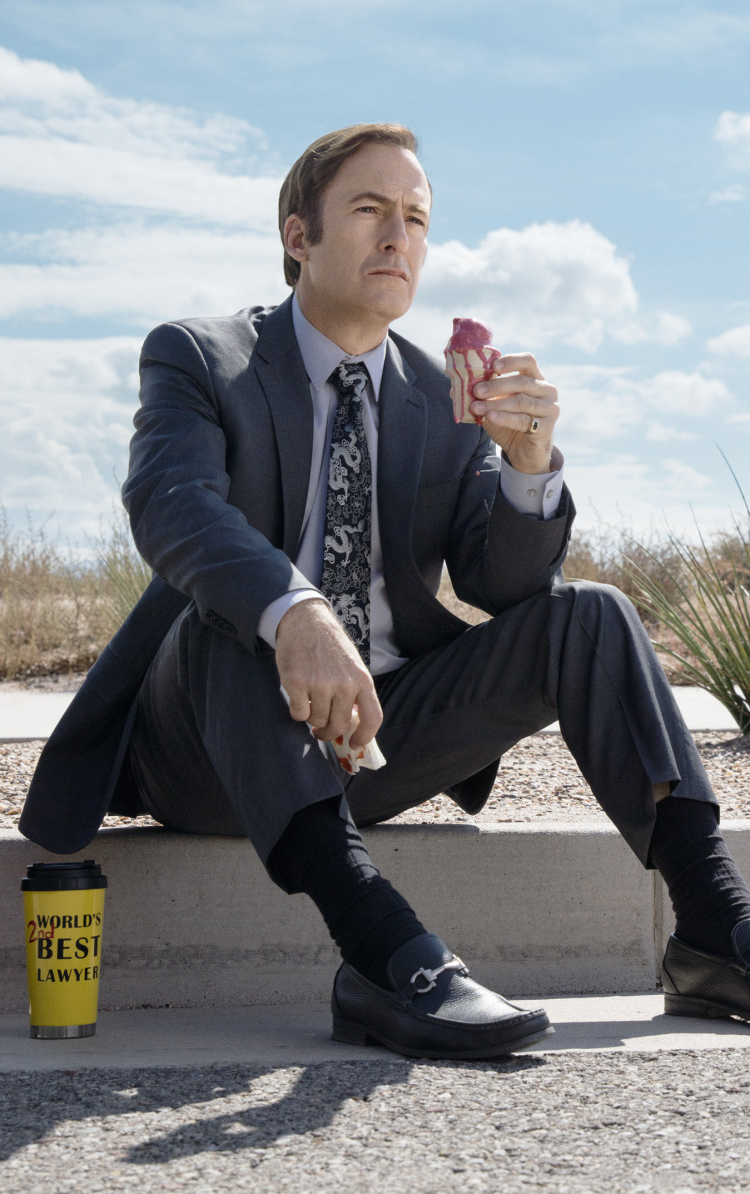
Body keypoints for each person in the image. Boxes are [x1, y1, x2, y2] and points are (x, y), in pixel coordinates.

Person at [21, 123, 750, 1059]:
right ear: (299, 236)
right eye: (369, 210)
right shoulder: (202, 357)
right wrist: (296, 610)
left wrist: (528, 468)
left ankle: (712, 934)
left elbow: (508, 585)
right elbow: (171, 507)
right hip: (211, 747)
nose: (398, 236)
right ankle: (388, 954)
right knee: (227, 615)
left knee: (594, 616)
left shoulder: (438, 399)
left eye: (415, 217)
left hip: (378, 736)